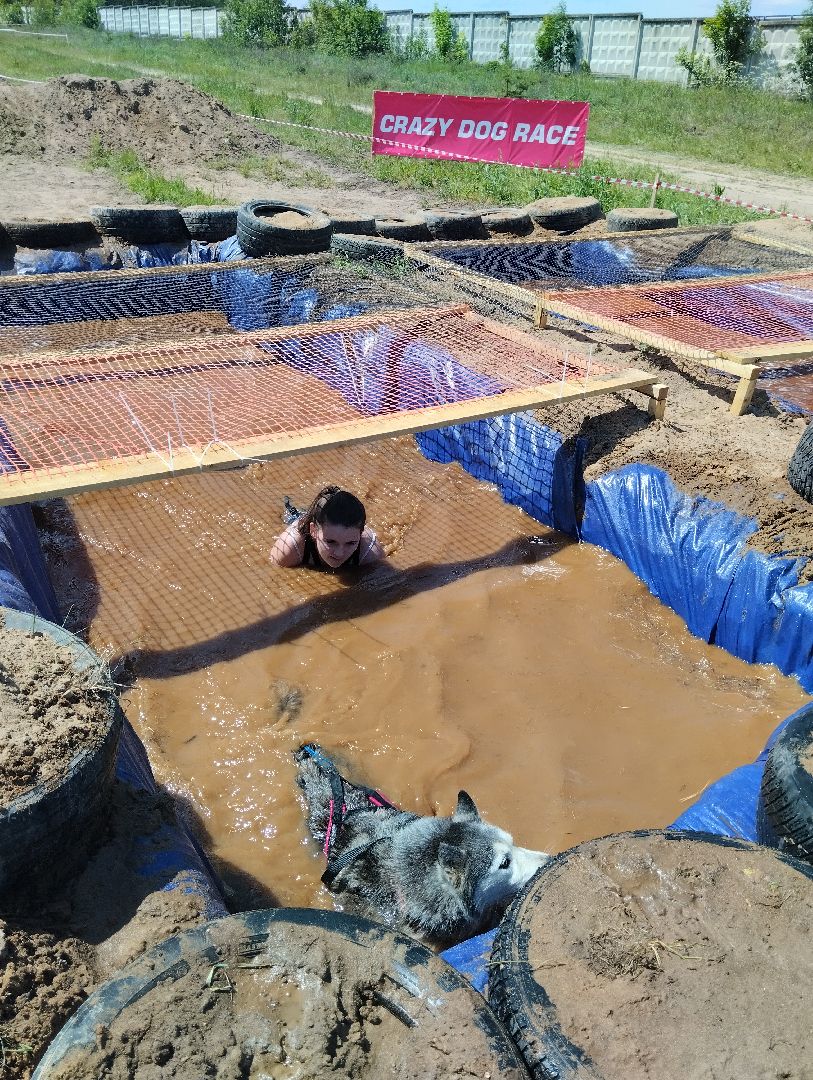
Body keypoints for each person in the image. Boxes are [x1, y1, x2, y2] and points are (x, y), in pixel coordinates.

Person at [270, 486, 385, 570]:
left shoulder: (371, 553)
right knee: (292, 514)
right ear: (313, 531)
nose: (340, 553)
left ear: (361, 534)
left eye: (350, 543)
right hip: (297, 520)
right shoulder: (289, 550)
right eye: (330, 542)